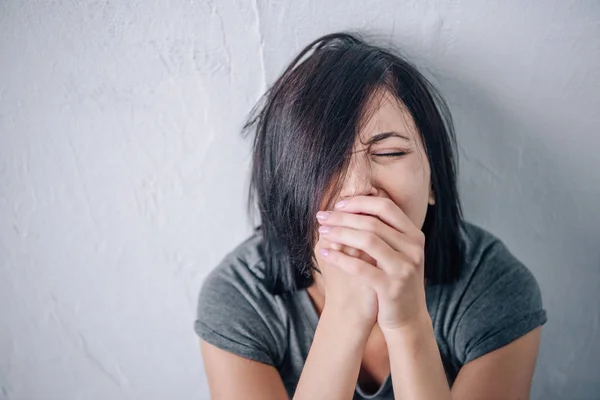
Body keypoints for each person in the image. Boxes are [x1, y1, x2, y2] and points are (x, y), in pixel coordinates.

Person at [193, 32, 548, 400]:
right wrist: (346, 314)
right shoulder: (239, 298)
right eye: (325, 162)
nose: (359, 188)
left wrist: (408, 324)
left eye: (390, 153)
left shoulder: (493, 288)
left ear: (433, 183)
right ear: (285, 188)